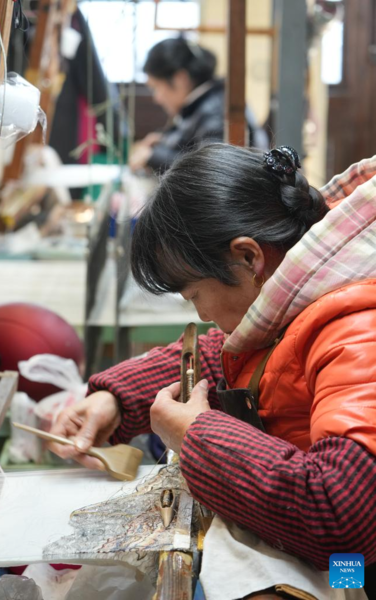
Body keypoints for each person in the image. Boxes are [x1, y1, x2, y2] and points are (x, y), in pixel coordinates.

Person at [50, 144, 376, 599]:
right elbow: (227, 354)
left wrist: (196, 437)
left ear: (248, 258)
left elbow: (344, 517)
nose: (200, 315)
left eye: (194, 295)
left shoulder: (358, 329)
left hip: (359, 569)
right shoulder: (300, 293)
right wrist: (116, 399)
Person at [130, 37, 267, 173]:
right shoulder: (205, 101)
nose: (157, 98)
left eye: (156, 88)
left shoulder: (217, 110)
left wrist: (152, 157)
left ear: (180, 79)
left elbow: (211, 171)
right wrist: (163, 139)